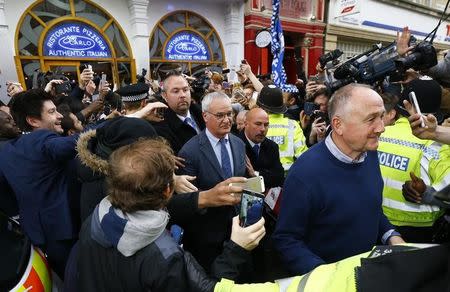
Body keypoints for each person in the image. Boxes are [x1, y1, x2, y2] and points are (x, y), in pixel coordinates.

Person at [78, 138, 266, 291]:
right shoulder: (166, 256)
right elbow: (208, 288)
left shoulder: (94, 219)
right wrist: (237, 248)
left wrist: (204, 197)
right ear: (168, 190)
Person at [272, 84, 404, 276]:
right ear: (338, 125)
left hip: (365, 277)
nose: (381, 127)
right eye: (371, 119)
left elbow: (370, 207)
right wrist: (328, 278)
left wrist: (391, 236)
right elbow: (286, 239)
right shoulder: (305, 173)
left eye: (382, 116)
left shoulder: (370, 154)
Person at [0, 89, 80, 277]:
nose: (60, 115)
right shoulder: (43, 140)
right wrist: (127, 120)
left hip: (37, 235)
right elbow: (69, 144)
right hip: (65, 232)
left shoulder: (7, 150)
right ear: (33, 121)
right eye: (52, 112)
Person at [178, 91, 247, 272]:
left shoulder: (238, 144)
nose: (226, 120)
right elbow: (188, 200)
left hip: (237, 233)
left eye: (229, 114)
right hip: (205, 240)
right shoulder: (189, 151)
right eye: (220, 115)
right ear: (205, 116)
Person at [377, 79, 450, 243]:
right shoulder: (438, 145)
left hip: (375, 225)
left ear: (404, 104)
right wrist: (426, 193)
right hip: (420, 233)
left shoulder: (379, 134)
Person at [151, 71, 205, 155]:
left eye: (185, 90)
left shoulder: (203, 114)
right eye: (176, 91)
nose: (182, 95)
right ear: (164, 96)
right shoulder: (160, 128)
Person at [256, 85, 308, 172]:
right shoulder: (293, 125)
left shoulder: (256, 126)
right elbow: (303, 156)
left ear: (261, 107)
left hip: (263, 178)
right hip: (288, 178)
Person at [239, 108, 284, 189]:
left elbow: (279, 178)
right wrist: (266, 176)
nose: (263, 129)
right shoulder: (235, 145)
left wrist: (255, 174)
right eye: (258, 124)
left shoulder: (272, 146)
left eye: (266, 125)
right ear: (246, 124)